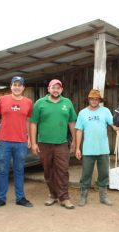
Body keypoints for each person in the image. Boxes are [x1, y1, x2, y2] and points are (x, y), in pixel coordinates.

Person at [30, 79, 77, 209]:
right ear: (48, 89)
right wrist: (33, 143)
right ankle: (52, 194)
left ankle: (64, 197)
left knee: (62, 170)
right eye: (53, 87)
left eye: (58, 88)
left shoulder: (67, 103)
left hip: (61, 143)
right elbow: (33, 123)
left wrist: (75, 141)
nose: (55, 90)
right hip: (44, 143)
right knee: (48, 170)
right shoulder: (40, 103)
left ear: (61, 90)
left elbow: (72, 122)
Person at [0, 76, 33, 209]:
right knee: (3, 170)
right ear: (11, 86)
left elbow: (28, 121)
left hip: (21, 142)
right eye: (15, 84)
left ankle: (20, 198)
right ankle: (1, 198)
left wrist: (30, 138)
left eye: (20, 85)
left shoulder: (28, 102)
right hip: (4, 141)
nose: (17, 87)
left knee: (19, 170)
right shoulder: (2, 100)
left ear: (23, 88)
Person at [75, 89, 119, 206]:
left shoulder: (105, 111)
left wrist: (118, 128)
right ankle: (83, 197)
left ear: (99, 100)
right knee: (86, 174)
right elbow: (79, 131)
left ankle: (103, 197)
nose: (94, 101)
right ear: (88, 100)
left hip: (103, 149)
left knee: (104, 173)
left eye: (96, 99)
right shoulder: (82, 113)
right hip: (88, 149)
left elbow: (113, 125)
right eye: (92, 99)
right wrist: (77, 148)